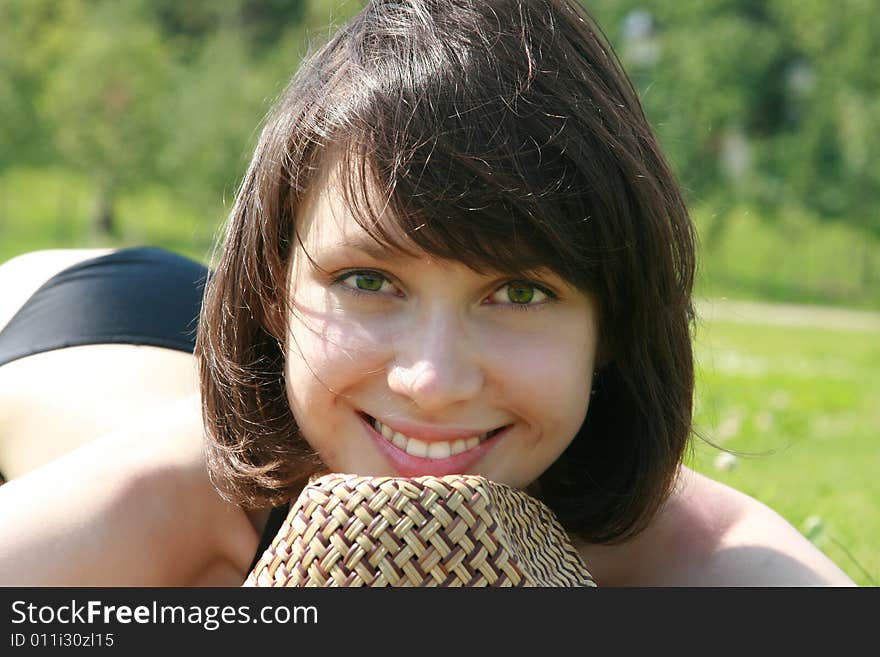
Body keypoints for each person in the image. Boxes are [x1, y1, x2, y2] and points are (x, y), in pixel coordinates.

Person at [0, 0, 854, 586]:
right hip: (71, 321)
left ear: (613, 326)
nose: (435, 381)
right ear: (268, 287)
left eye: (518, 292)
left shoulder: (687, 549)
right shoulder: (180, 496)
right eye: (370, 276)